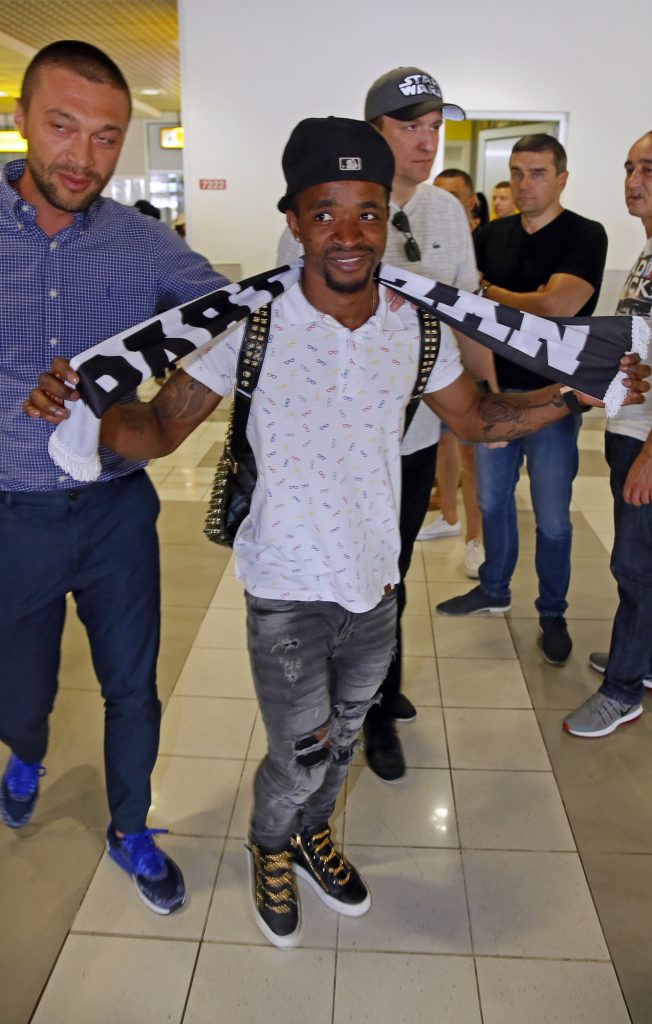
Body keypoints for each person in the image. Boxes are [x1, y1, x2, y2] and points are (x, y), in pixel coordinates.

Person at [29, 115, 643, 949]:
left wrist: (575, 394)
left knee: (345, 737)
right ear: (294, 219)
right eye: (325, 213)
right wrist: (88, 408)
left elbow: (480, 419)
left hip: (375, 586)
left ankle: (314, 833)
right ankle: (270, 844)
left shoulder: (415, 326)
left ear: (387, 215)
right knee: (301, 751)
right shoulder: (250, 324)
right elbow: (159, 430)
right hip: (286, 588)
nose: (349, 235)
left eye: (367, 213)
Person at [0, 40, 227, 914]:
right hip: (13, 514)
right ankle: (25, 750)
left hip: (115, 511)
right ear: (21, 120)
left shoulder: (144, 244)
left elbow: (235, 320)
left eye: (105, 137)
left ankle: (131, 826)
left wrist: (163, 418)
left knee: (132, 685)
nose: (82, 157)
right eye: (63, 127)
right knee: (21, 689)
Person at [279, 67, 494, 782]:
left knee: (391, 574)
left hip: (415, 436)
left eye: (435, 127)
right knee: (338, 578)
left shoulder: (445, 212)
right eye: (411, 126)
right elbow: (290, 327)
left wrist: (485, 408)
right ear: (374, 133)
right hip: (336, 445)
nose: (427, 141)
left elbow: (469, 315)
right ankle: (337, 703)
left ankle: (378, 699)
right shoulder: (324, 205)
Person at [436, 134, 609, 669]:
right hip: (495, 392)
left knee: (553, 517)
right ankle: (494, 587)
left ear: (562, 178)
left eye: (537, 173)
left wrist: (491, 293)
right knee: (492, 503)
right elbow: (468, 315)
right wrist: (486, 386)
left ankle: (552, 612)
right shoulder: (490, 236)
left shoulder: (585, 234)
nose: (524, 184)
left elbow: (558, 306)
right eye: (516, 172)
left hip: (554, 398)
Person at [564, 131, 652, 737]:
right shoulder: (646, 250)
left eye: (648, 169)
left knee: (635, 566)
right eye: (628, 168)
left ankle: (622, 691)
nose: (633, 181)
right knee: (641, 561)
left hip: (646, 441)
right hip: (630, 427)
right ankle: (639, 657)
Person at [418, 167, 486, 581]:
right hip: (433, 365)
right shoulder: (425, 237)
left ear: (470, 203)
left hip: (466, 364)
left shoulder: (481, 242)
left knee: (470, 453)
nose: (444, 204)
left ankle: (475, 537)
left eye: (454, 196)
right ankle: (448, 514)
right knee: (441, 445)